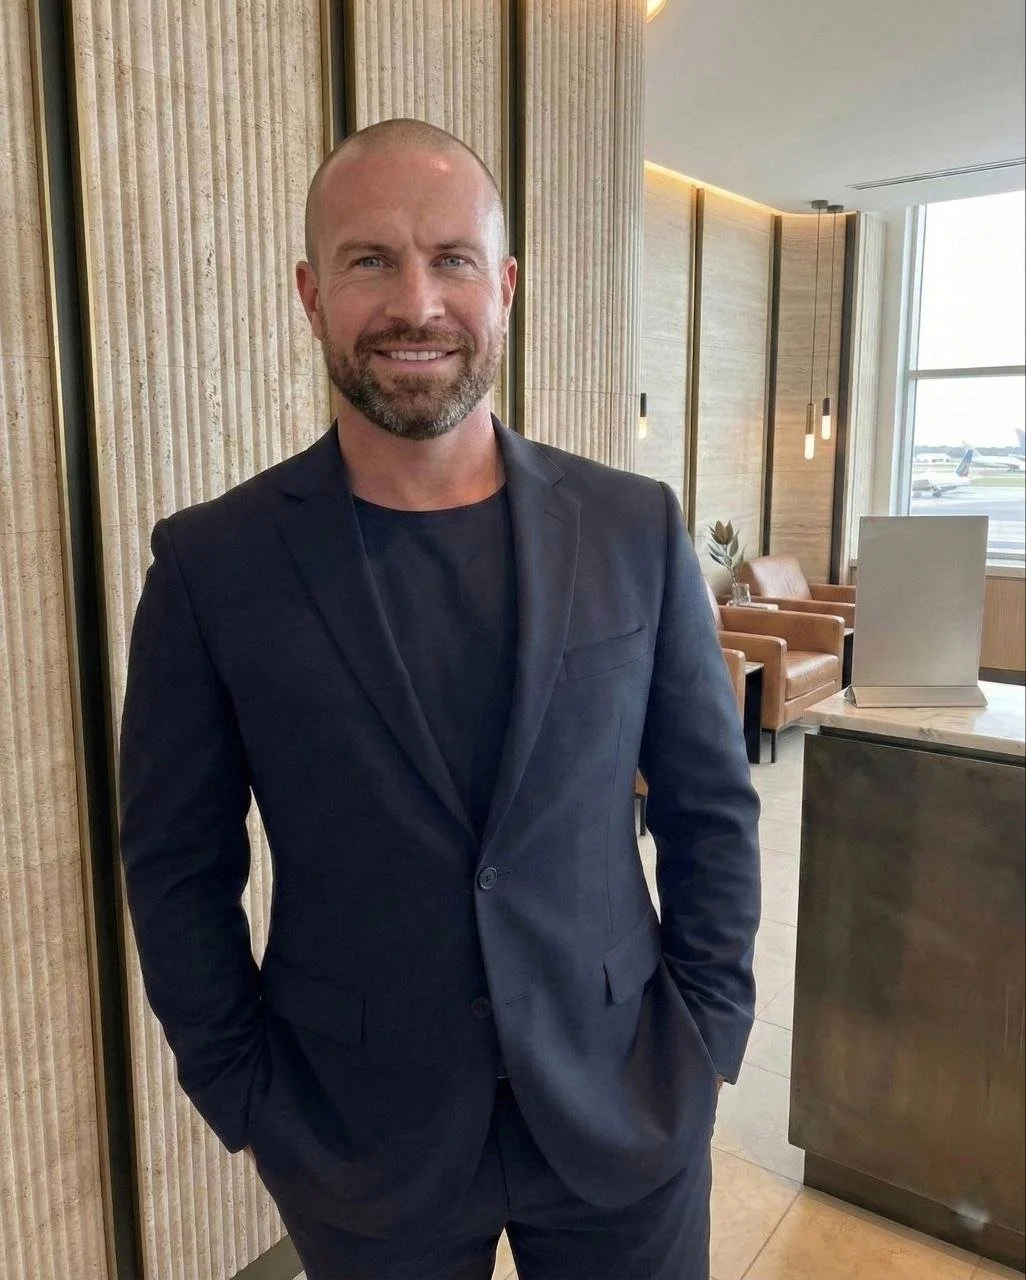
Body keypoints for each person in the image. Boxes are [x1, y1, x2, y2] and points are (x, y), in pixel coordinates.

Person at [119, 118, 761, 1280]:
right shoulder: (213, 565)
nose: (416, 302)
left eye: (452, 258)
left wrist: (708, 1029)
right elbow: (174, 860)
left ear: (502, 288)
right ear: (312, 295)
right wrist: (240, 1087)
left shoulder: (632, 528)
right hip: (356, 1135)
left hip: (626, 1095)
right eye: (370, 259)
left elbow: (710, 806)